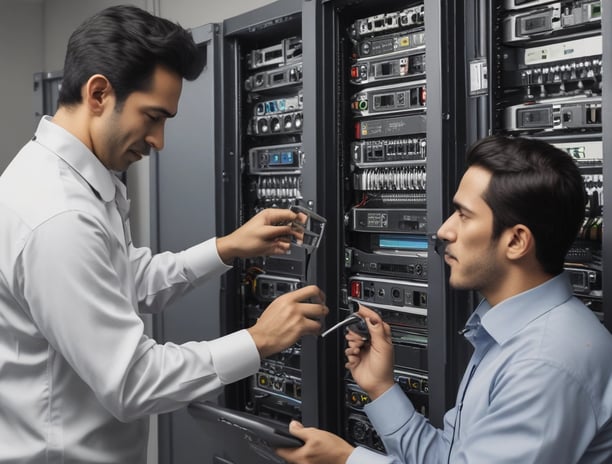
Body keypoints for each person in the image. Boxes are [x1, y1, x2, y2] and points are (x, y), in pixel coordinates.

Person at [0, 6, 327, 463]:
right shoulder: (59, 216)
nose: (159, 141)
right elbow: (132, 383)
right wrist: (259, 339)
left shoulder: (67, 181)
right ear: (98, 93)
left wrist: (225, 249)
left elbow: (123, 280)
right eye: (152, 116)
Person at [277, 135, 612, 464]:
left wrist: (346, 461)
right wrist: (381, 388)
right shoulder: (509, 335)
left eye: (463, 215)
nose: (443, 230)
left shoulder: (545, 364)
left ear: (516, 241)